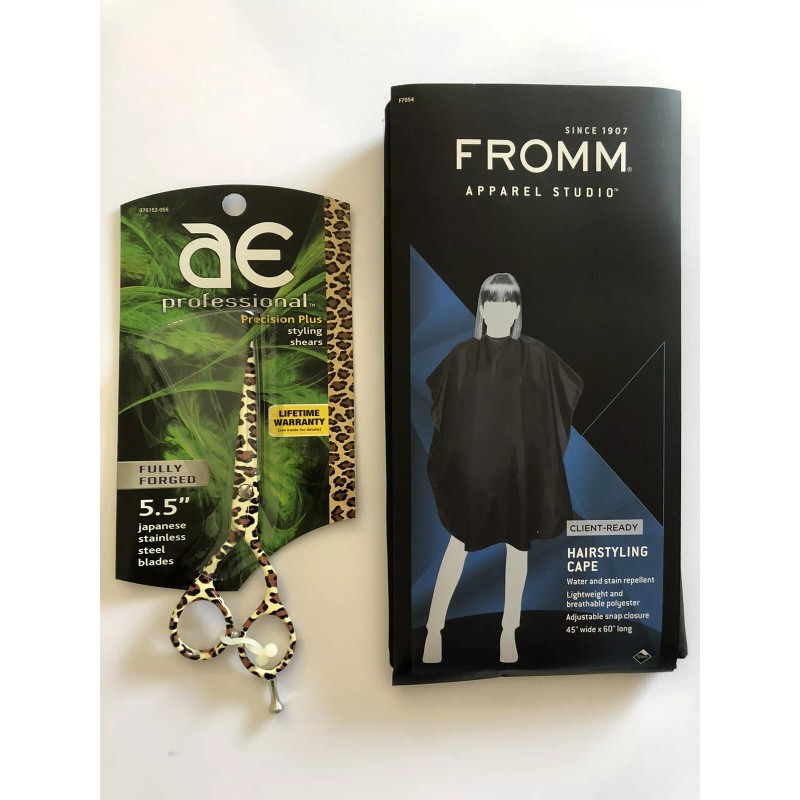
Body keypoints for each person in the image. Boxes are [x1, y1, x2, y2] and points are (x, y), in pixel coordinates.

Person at [423, 272, 583, 663]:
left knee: (517, 547)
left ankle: (509, 631)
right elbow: (444, 415)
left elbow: (560, 400)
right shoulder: (461, 356)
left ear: (517, 309)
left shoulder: (536, 355)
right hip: (476, 476)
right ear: (481, 308)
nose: (500, 310)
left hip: (517, 473)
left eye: (508, 302)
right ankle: (433, 630)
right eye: (493, 302)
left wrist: (535, 454)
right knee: (458, 546)